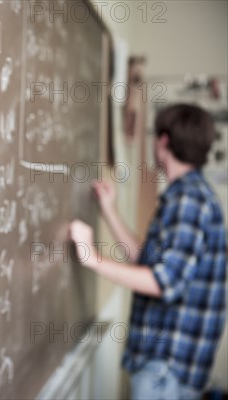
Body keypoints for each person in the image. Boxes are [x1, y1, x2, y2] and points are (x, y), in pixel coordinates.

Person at [70, 104, 227, 400]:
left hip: (166, 370)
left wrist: (93, 258)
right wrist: (109, 211)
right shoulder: (188, 195)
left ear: (164, 141)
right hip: (166, 367)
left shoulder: (189, 200)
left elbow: (163, 281)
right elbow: (147, 261)